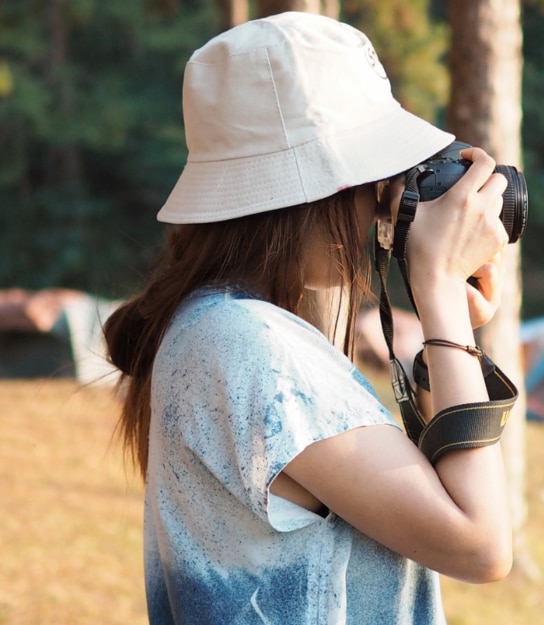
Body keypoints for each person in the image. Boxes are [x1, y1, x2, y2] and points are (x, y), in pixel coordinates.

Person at [104, 11, 514, 625]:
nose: (386, 199)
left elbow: (430, 495)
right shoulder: (248, 345)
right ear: (317, 190)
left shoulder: (219, 330)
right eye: (376, 175)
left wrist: (447, 326)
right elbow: (479, 543)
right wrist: (435, 289)